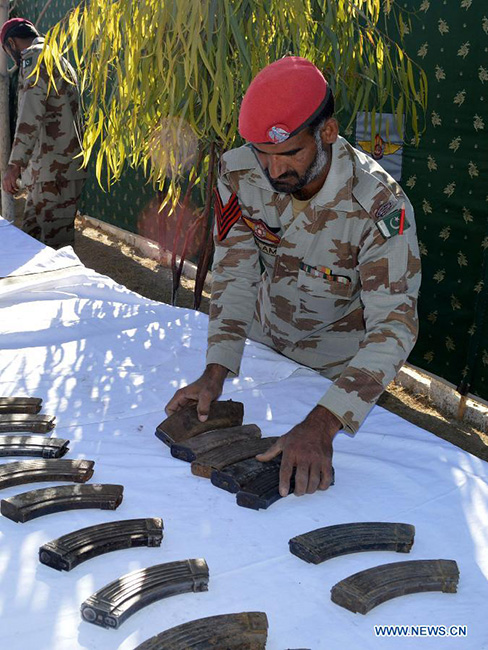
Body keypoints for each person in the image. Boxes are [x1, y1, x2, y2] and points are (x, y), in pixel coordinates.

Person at [166, 57, 421, 499]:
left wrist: (323, 422)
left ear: (327, 132)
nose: (273, 171)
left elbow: (395, 324)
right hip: (265, 347)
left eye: (289, 154)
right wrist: (217, 368)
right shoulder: (238, 172)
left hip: (335, 375)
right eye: (262, 153)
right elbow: (234, 271)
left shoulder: (379, 206)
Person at [1, 18, 86, 248]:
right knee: (31, 244)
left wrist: (14, 165)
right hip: (55, 172)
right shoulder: (57, 58)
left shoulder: (35, 57)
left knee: (54, 251)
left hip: (53, 175)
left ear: (11, 43)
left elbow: (30, 113)